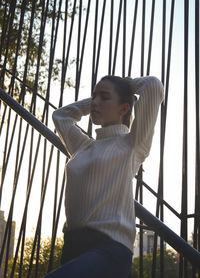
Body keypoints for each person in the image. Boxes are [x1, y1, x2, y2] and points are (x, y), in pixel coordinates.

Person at [45, 75, 164, 278]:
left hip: (110, 249)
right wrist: (94, 103)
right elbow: (60, 116)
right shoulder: (83, 146)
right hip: (72, 246)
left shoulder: (132, 144)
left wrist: (128, 85)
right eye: (94, 96)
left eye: (104, 97)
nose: (95, 102)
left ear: (124, 108)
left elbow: (153, 86)